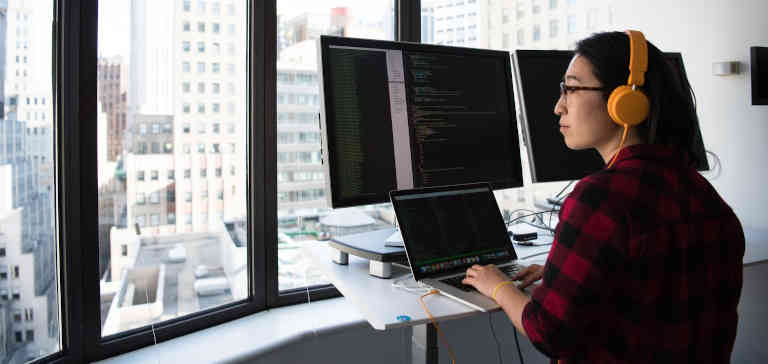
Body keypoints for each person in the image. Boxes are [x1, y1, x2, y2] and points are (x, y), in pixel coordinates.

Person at [462, 30, 745, 363]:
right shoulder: (705, 194)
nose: (558, 106)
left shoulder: (601, 198)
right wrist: (562, 273)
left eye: (572, 88)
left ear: (625, 102)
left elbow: (549, 331)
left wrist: (498, 285)